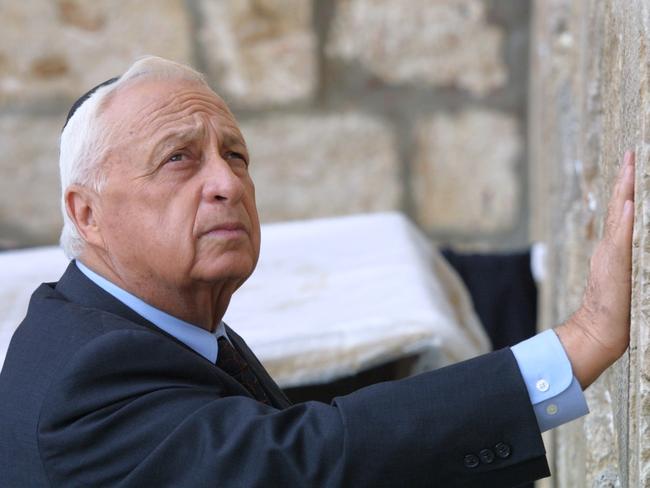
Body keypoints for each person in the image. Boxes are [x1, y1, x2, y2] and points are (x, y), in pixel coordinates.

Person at [0, 56, 636, 487]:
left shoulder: (150, 322)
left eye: (236, 155)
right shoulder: (86, 376)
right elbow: (303, 461)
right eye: (179, 159)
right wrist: (576, 345)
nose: (226, 183)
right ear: (88, 214)